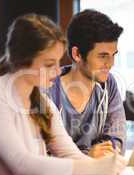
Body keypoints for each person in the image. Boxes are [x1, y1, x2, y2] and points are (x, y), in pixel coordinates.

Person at [0, 14, 127, 175]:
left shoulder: (42, 104)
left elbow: (69, 153)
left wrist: (125, 170)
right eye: (49, 64)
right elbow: (21, 162)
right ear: (22, 61)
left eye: (57, 62)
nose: (57, 71)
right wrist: (96, 166)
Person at [48, 9, 126, 158]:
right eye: (103, 56)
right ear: (77, 54)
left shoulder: (108, 84)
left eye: (113, 55)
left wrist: (109, 150)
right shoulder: (48, 89)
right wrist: (87, 157)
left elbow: (117, 137)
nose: (110, 64)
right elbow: (42, 155)